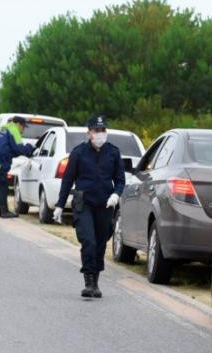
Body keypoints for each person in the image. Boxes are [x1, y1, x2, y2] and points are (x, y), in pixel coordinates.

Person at [53, 115, 125, 298]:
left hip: (105, 203)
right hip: (83, 203)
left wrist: (116, 194)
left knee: (100, 243)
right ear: (89, 133)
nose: (100, 134)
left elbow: (120, 179)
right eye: (96, 130)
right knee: (89, 241)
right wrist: (60, 206)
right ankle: (88, 281)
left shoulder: (113, 152)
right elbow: (68, 180)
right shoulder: (79, 153)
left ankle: (96, 281)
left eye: (103, 130)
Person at [0, 116, 34, 218]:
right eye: (23, 127)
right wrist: (29, 148)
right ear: (18, 124)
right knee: (3, 185)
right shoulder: (13, 130)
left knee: (0, 185)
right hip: (1, 160)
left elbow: (10, 147)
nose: (23, 129)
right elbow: (19, 149)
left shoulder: (5, 128)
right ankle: (4, 212)